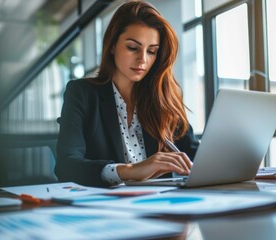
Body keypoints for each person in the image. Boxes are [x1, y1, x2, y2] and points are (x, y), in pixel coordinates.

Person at [55, 0, 199, 188]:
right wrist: (130, 170)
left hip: (161, 205)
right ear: (113, 45)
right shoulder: (82, 93)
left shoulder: (163, 98)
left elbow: (196, 157)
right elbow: (66, 166)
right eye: (133, 48)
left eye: (152, 51)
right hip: (106, 208)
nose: (143, 60)